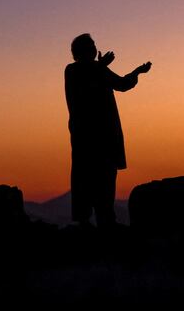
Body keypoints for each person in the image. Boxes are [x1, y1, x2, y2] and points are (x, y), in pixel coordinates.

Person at [64, 33, 152, 227]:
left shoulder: (98, 69)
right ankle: (86, 224)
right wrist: (101, 66)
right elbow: (83, 90)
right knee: (86, 178)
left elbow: (121, 84)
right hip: (86, 138)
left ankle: (106, 221)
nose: (95, 49)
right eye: (91, 46)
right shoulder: (73, 71)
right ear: (82, 51)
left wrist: (136, 72)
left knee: (106, 179)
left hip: (107, 136)